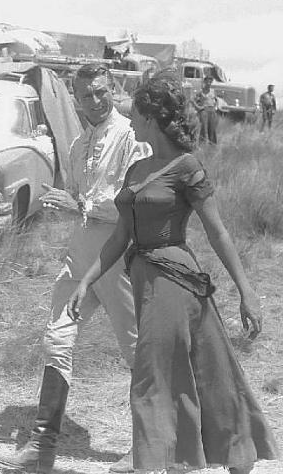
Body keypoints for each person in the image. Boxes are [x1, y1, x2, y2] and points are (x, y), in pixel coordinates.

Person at [68, 69, 279, 474]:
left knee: (152, 375)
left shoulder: (186, 166)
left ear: (153, 118)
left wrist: (246, 291)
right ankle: (231, 456)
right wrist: (87, 280)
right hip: (146, 278)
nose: (130, 122)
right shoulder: (135, 171)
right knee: (207, 367)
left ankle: (157, 463)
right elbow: (119, 239)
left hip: (175, 280)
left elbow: (217, 232)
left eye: (137, 116)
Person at [0, 64, 150, 474]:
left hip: (117, 257)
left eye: (101, 93)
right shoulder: (80, 144)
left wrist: (77, 204)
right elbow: (81, 196)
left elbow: (130, 206)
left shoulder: (134, 139)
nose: (95, 102)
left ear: (113, 90)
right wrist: (72, 201)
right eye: (85, 96)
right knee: (56, 339)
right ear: (75, 100)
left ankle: (145, 447)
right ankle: (41, 447)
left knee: (136, 349)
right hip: (80, 256)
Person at [191, 76, 218, 144]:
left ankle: (212, 145)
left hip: (212, 111)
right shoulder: (201, 91)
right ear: (204, 82)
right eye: (207, 81)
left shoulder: (213, 91)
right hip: (204, 112)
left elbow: (216, 100)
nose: (209, 83)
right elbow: (192, 100)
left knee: (212, 128)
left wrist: (215, 107)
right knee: (204, 128)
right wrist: (198, 108)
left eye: (210, 82)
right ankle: (202, 144)